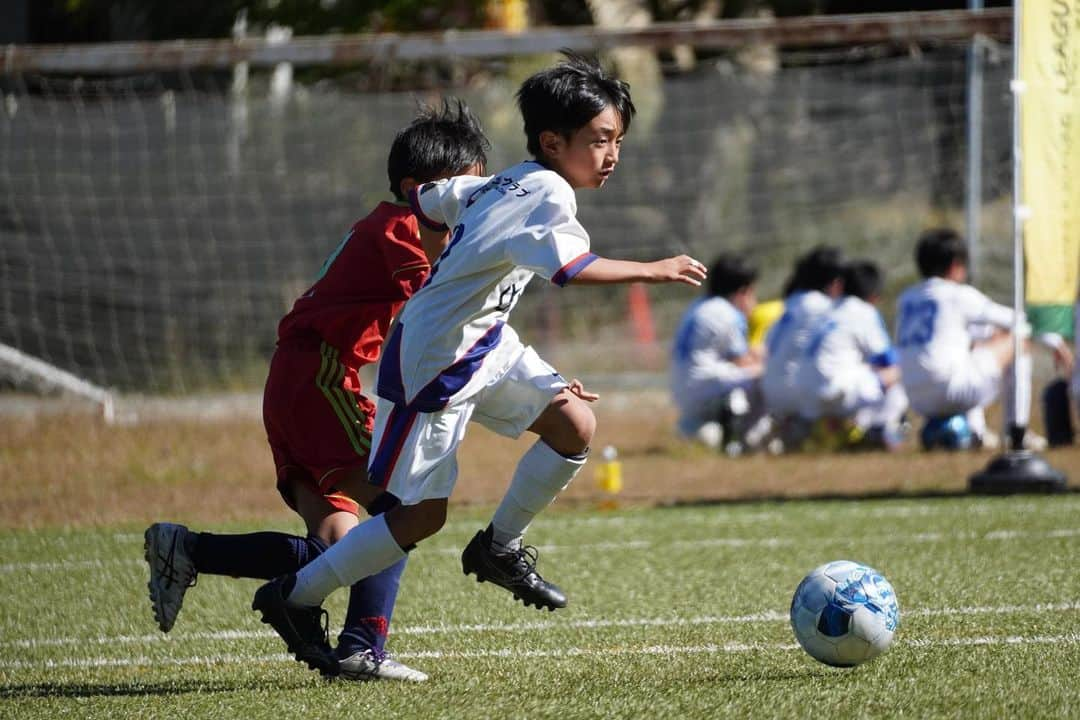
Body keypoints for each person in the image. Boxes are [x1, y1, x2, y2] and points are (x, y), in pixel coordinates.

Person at [250, 52, 708, 677]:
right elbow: (571, 270)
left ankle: (498, 549)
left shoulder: (505, 180)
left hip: (484, 344)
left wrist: (455, 269)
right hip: (434, 362)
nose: (613, 155)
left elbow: (434, 197)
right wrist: (654, 269)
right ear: (553, 141)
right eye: (601, 140)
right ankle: (292, 597)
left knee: (573, 424)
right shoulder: (546, 192)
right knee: (418, 516)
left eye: (618, 140)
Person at [143, 100, 490, 682]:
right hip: (321, 379)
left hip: (296, 382)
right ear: (418, 190)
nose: (475, 205)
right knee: (403, 506)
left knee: (340, 551)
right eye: (469, 191)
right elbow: (442, 304)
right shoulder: (402, 228)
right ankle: (362, 645)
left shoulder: (387, 225)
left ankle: (190, 550)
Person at [895, 228, 1071, 450]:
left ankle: (976, 430)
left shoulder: (905, 299)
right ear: (955, 265)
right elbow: (1019, 322)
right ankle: (1016, 430)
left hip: (915, 396)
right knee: (1018, 341)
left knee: (974, 346)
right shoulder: (957, 294)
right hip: (952, 391)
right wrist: (1054, 340)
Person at [794, 260, 908, 449]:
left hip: (805, 397)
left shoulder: (824, 310)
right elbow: (887, 359)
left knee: (863, 371)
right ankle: (882, 432)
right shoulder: (863, 311)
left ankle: (836, 429)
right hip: (834, 392)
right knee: (899, 371)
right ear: (874, 296)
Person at [669, 252, 767, 453]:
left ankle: (694, 429)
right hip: (705, 386)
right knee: (764, 374)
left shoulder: (699, 305)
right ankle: (752, 435)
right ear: (742, 292)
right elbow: (743, 362)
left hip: (682, 388)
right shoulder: (728, 313)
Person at [761, 245, 846, 449]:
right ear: (835, 281)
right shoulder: (824, 307)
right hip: (800, 393)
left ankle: (795, 430)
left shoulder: (791, 304)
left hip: (771, 393)